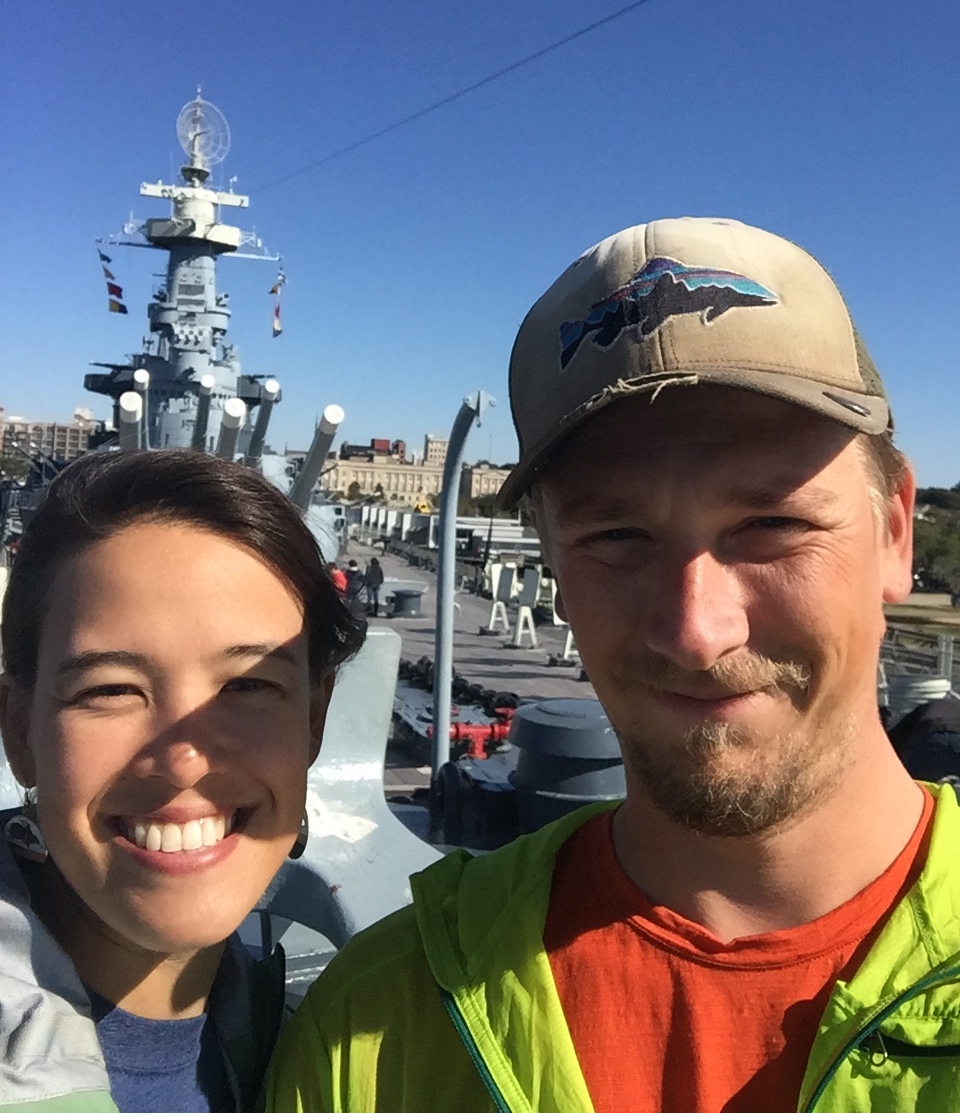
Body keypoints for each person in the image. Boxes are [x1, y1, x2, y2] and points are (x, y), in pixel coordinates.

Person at [268, 216, 960, 1112]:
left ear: (895, 531)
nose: (696, 632)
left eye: (773, 523)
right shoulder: (373, 1026)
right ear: (554, 565)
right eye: (617, 536)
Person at [0, 449, 365, 1113]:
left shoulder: (308, 1043)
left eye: (249, 685)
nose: (184, 761)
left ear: (314, 718)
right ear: (20, 732)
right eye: (110, 689)